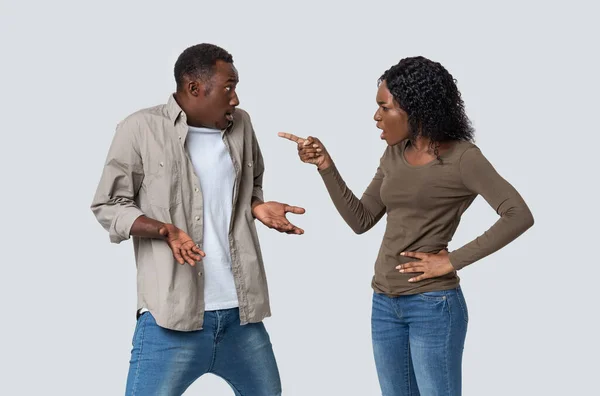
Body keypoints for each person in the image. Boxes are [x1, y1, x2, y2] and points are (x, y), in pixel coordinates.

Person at [279, 56, 534, 396]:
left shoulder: (463, 158)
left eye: (384, 107)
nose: (376, 117)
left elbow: (518, 214)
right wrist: (326, 166)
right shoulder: (394, 153)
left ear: (415, 108)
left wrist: (451, 260)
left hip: (433, 306)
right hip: (384, 303)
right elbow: (361, 219)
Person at [91, 43, 304, 396]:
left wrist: (257, 207)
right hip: (170, 318)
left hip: (241, 316)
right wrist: (165, 229)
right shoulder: (140, 128)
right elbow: (109, 204)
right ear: (194, 88)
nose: (235, 99)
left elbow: (250, 187)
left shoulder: (242, 125)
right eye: (228, 87)